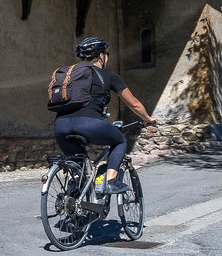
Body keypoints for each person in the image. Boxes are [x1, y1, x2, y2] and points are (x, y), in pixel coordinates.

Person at [53, 35, 156, 194]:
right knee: (119, 141)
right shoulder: (108, 75)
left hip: (60, 127)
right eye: (106, 54)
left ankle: (73, 198)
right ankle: (110, 181)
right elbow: (134, 104)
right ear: (101, 56)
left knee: (78, 167)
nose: (107, 57)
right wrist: (147, 118)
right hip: (88, 124)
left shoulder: (69, 75)